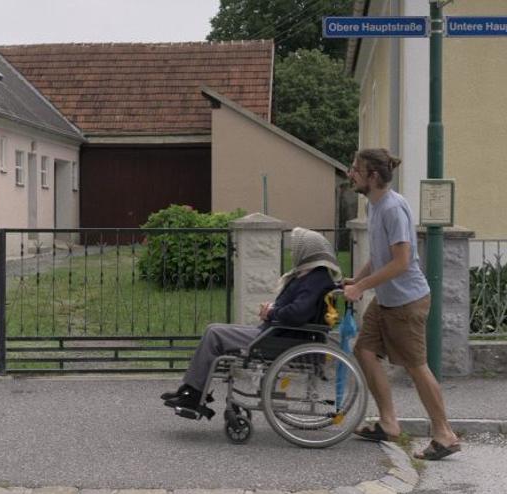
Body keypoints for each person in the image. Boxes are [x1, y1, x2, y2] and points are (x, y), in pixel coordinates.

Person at [344, 148, 461, 461]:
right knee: (365, 351)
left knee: (416, 367)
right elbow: (379, 255)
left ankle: (444, 434)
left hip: (407, 302)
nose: (350, 174)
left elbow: (400, 262)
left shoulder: (393, 208)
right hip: (386, 300)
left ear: (373, 176)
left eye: (355, 169)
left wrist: (362, 288)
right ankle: (388, 423)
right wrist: (354, 281)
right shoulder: (375, 206)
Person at [162, 227, 342, 415]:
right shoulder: (312, 276)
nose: (292, 252)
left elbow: (297, 313)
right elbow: (298, 308)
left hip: (280, 338)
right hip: (279, 333)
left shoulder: (315, 279)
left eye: (295, 249)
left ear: (305, 251)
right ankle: (191, 390)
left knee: (214, 333)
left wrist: (271, 312)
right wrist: (272, 310)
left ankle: (193, 393)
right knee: (214, 329)